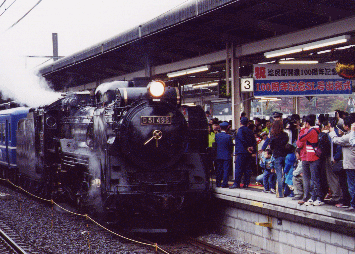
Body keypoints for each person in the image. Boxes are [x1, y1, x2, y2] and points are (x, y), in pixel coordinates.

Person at [329, 116, 355, 212]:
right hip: (352, 163)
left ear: (348, 126)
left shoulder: (350, 136)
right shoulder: (350, 135)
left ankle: (353, 204)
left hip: (351, 164)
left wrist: (332, 132)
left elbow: (336, 140)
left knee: (351, 185)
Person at [298, 114, 323, 206]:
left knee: (315, 178)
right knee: (314, 178)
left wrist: (302, 129)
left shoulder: (312, 131)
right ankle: (313, 197)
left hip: (313, 157)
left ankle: (319, 198)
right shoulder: (316, 129)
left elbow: (301, 138)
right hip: (313, 156)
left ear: (307, 123)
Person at [230, 117, 256, 189]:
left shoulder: (240, 130)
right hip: (249, 152)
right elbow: (254, 141)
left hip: (241, 152)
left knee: (239, 168)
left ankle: (236, 184)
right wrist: (252, 149)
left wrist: (247, 146)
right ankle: (246, 183)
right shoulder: (250, 131)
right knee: (247, 168)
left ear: (240, 123)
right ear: (248, 123)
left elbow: (242, 139)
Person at [269, 120, 289, 198]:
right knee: (286, 173)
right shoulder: (285, 135)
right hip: (285, 155)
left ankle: (280, 194)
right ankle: (287, 191)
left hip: (277, 156)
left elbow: (271, 146)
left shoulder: (273, 135)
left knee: (279, 175)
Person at [214, 122, 234, 188]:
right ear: (227, 128)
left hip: (218, 155)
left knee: (219, 170)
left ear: (220, 127)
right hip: (226, 155)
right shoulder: (228, 137)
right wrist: (231, 153)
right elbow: (230, 146)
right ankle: (224, 183)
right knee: (226, 170)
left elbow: (215, 145)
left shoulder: (217, 136)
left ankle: (218, 183)